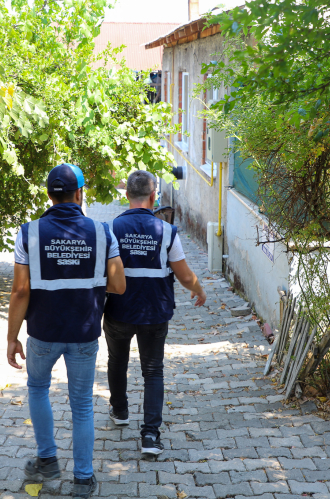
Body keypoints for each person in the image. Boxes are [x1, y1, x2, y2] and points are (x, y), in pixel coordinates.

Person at [6, 163, 126, 499]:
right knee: (82, 404)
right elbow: (119, 284)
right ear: (79, 194)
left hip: (42, 333)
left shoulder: (28, 233)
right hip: (84, 333)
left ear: (49, 195)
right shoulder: (102, 232)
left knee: (37, 387)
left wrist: (12, 337)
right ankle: (83, 480)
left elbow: (20, 290)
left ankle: (47, 460)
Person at [103, 170, 207, 456]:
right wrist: (199, 290)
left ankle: (120, 411)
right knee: (152, 371)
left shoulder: (111, 229)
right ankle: (150, 436)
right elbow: (184, 275)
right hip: (155, 311)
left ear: (127, 195)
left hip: (119, 310)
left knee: (117, 360)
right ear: (153, 197)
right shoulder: (167, 231)